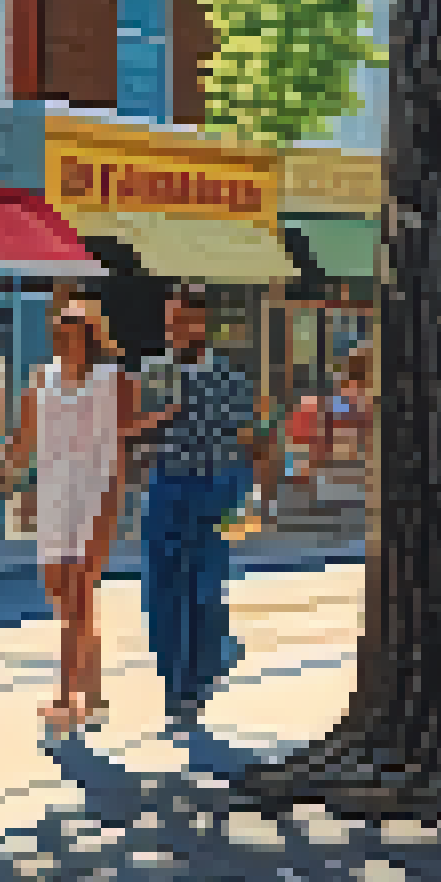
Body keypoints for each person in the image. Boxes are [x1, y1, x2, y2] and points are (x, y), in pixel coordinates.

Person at [0, 297, 137, 738]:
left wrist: (114, 504)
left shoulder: (115, 381)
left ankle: (67, 696)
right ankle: (92, 685)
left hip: (95, 497)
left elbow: (123, 446)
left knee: (76, 593)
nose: (60, 337)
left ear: (89, 336)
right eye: (57, 330)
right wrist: (5, 475)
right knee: (59, 591)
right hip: (53, 499)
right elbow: (23, 439)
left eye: (70, 329)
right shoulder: (41, 382)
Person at [135, 288, 265, 733]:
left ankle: (203, 668)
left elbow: (249, 440)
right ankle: (178, 690)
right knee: (161, 594)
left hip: (217, 488)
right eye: (171, 323)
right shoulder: (153, 374)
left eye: (183, 322)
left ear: (202, 323)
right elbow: (133, 429)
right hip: (165, 488)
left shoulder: (231, 378)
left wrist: (250, 500)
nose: (175, 331)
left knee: (204, 592)